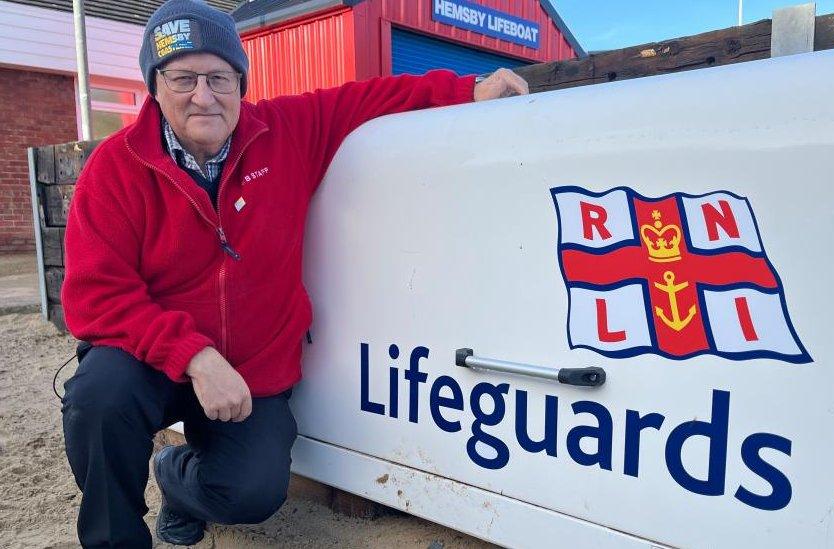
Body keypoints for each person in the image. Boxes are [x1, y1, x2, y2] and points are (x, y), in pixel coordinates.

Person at [59, 0, 529, 546]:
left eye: (220, 77)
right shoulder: (116, 167)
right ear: (155, 85)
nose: (204, 95)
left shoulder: (286, 131)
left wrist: (469, 89)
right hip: (153, 362)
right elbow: (96, 298)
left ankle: (176, 478)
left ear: (241, 82)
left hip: (252, 368)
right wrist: (194, 356)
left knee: (252, 493)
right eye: (183, 77)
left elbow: (371, 97)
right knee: (98, 397)